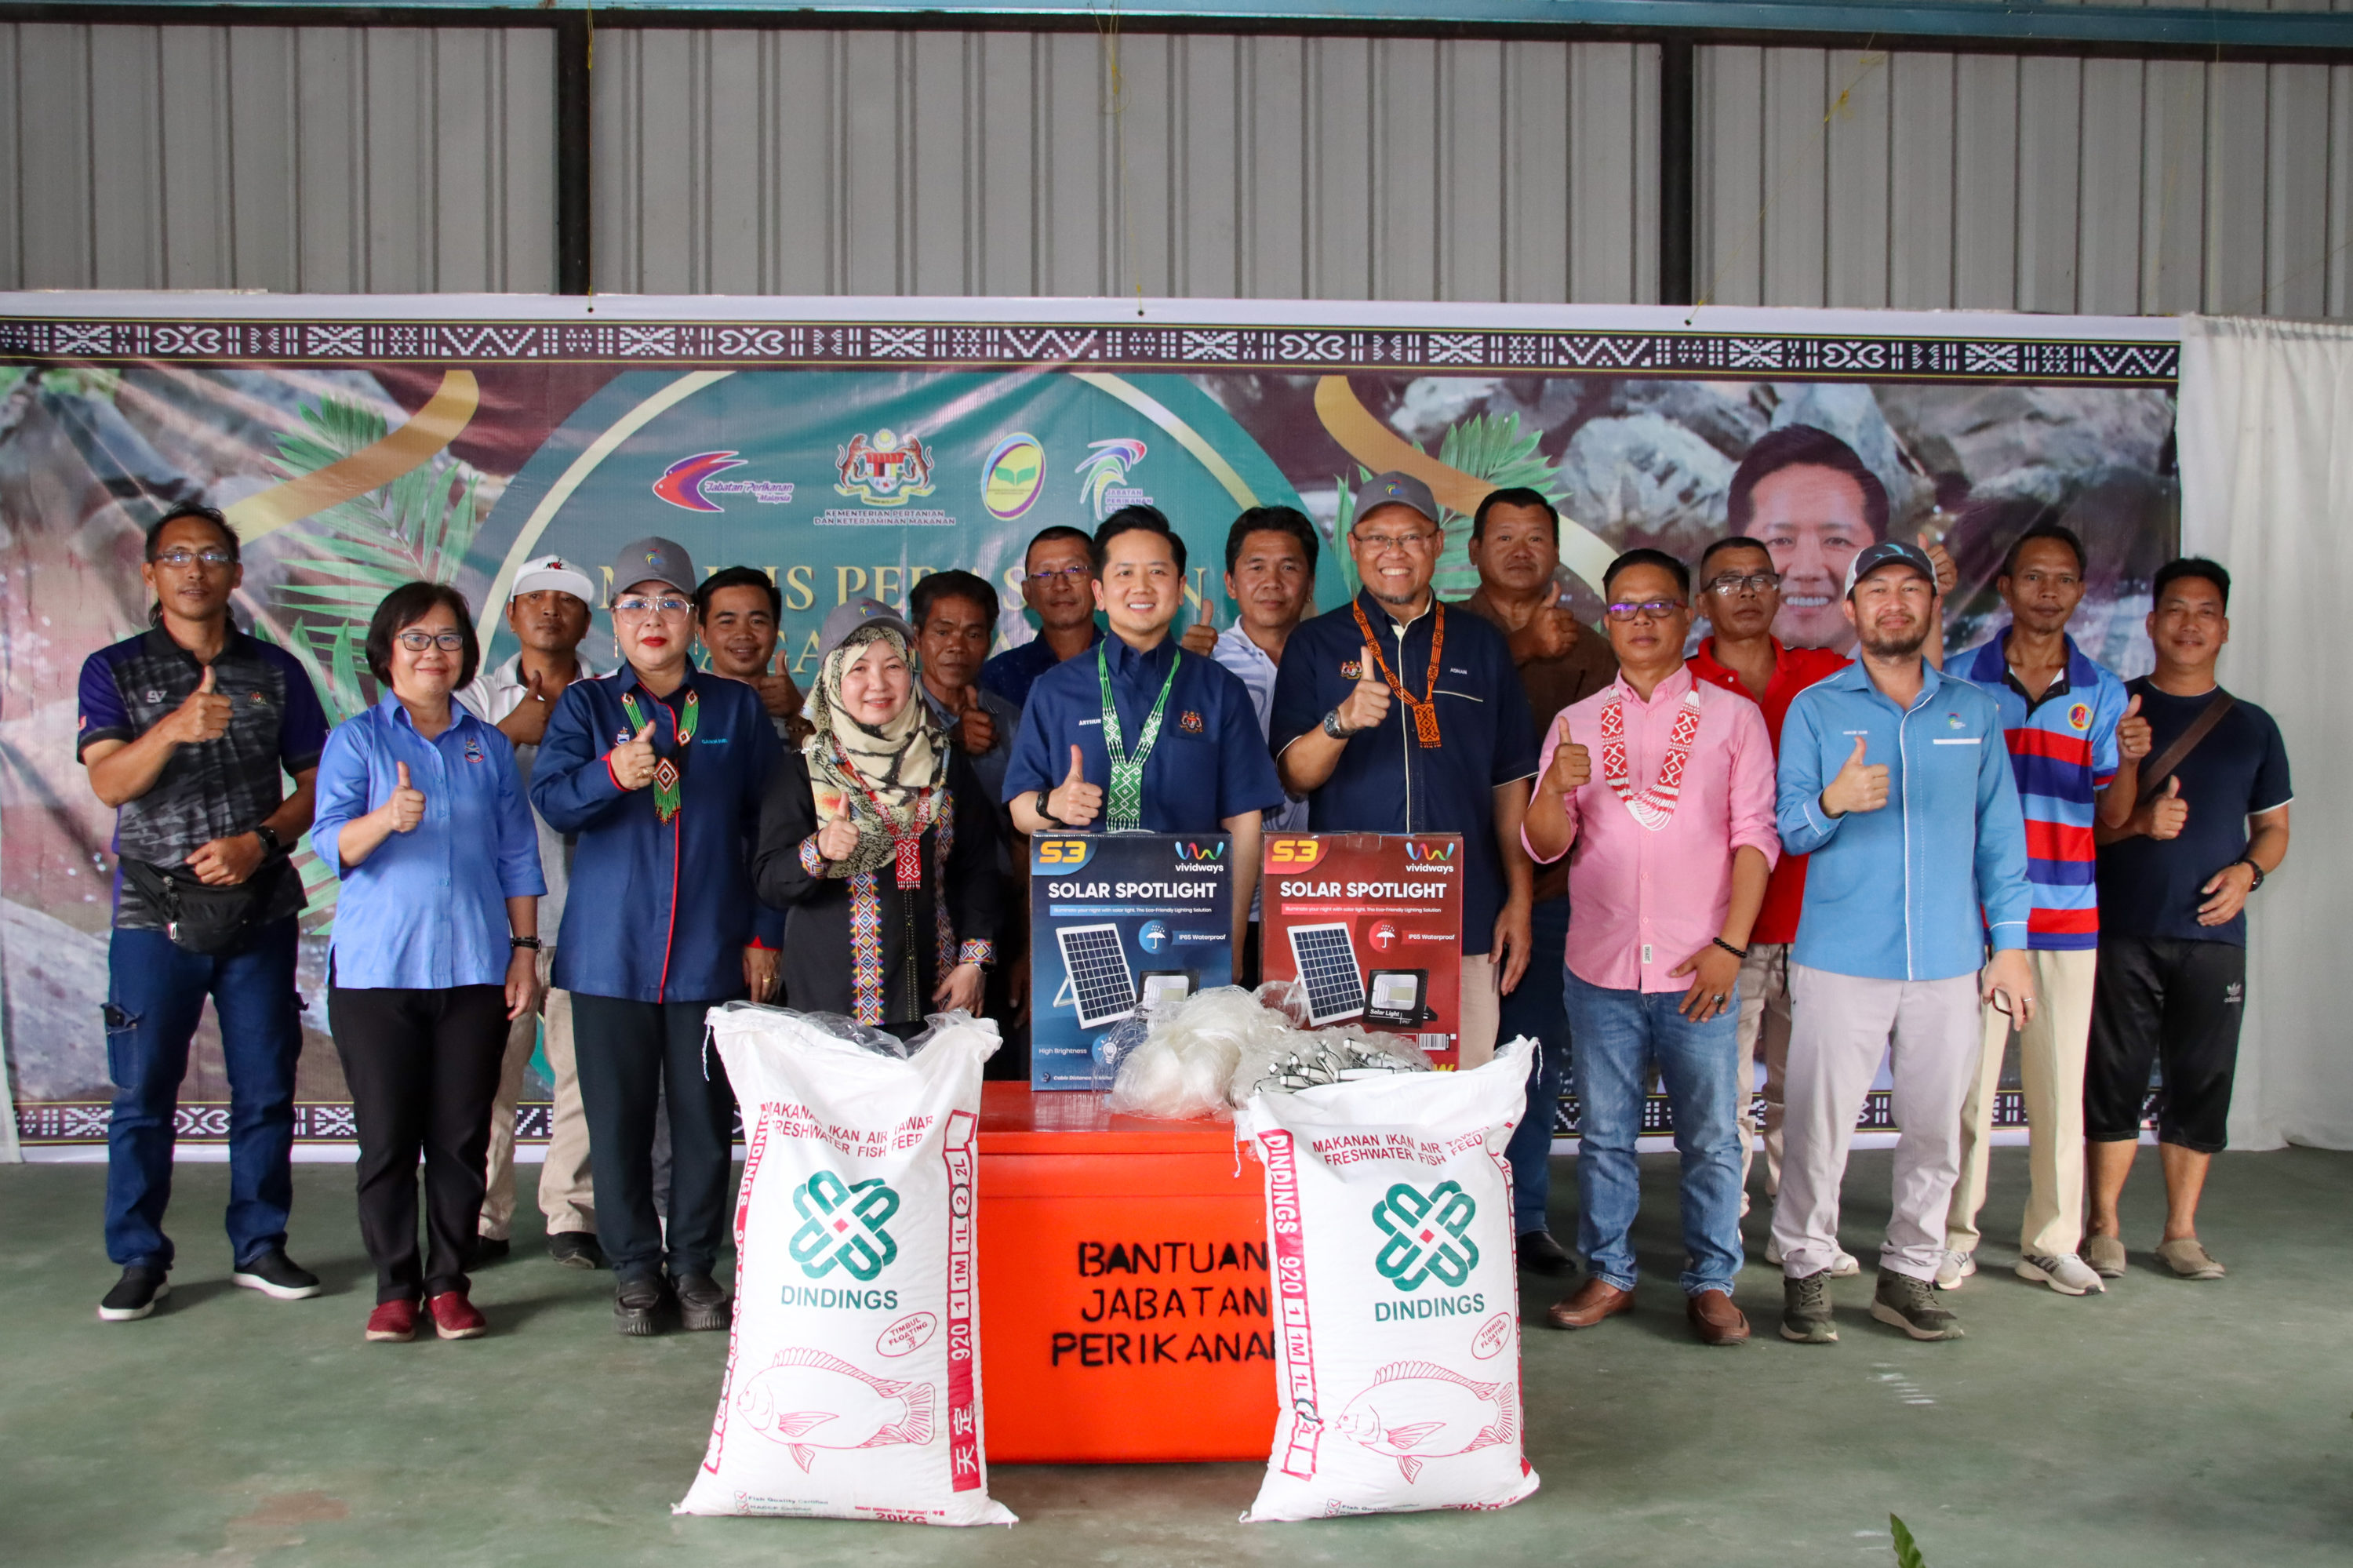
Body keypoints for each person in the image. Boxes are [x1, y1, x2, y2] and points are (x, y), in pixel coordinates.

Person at [1771, 538, 2036, 1346]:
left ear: (1932, 605)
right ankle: (1806, 1271)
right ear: (1851, 609)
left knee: (1935, 1128)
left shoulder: (1973, 711)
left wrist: (2011, 944)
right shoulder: (1817, 708)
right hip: (1839, 957)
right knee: (1818, 1126)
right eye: (1877, 589)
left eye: (1910, 589)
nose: (1895, 603)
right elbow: (1790, 829)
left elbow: (2002, 839)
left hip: (1949, 960)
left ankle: (1909, 1276)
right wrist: (1835, 800)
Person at [79, 504, 329, 1324]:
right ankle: (139, 1256)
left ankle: (259, 1244)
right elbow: (109, 783)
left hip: (259, 906)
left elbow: (317, 785)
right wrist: (174, 728)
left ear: (236, 573)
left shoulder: (276, 672)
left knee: (265, 1085)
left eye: (213, 555)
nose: (195, 569)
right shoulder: (113, 670)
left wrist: (262, 841)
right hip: (153, 912)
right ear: (150, 572)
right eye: (178, 556)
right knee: (143, 1088)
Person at [531, 537, 785, 1337]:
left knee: (705, 1123)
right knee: (618, 1122)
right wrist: (612, 774)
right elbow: (553, 800)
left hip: (709, 952)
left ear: (694, 622)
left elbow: (770, 828)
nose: (653, 618)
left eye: (670, 603)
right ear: (614, 620)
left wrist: (764, 933)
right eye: (636, 603)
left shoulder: (735, 708)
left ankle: (695, 1266)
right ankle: (637, 1269)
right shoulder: (586, 706)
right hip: (609, 956)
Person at [1522, 550, 1776, 1346]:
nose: (1641, 621)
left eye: (1657, 605)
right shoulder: (1576, 721)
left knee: (1711, 1136)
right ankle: (1610, 1272)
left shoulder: (1733, 718)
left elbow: (1755, 839)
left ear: (1688, 614)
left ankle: (1713, 1281)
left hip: (1700, 963)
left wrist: (1730, 946)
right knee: (1604, 1134)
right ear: (1608, 620)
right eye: (1625, 608)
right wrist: (1553, 789)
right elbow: (1543, 845)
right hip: (1601, 964)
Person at [311, 584, 545, 1343]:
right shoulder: (357, 741)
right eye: (416, 638)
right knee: (386, 1139)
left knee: (460, 1138)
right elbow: (330, 842)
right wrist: (386, 818)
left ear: (465, 655)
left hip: (475, 971)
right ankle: (393, 1287)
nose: (433, 653)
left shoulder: (487, 747)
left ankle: (448, 1283)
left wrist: (523, 952)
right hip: (376, 976)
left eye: (447, 639)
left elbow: (517, 856)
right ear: (387, 653)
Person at [1942, 523, 2149, 1297]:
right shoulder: (1963, 679)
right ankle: (1953, 1235)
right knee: (1968, 1091)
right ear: (2005, 588)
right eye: (2034, 576)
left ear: (2081, 592)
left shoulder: (2102, 691)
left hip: (2066, 916)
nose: (2049, 591)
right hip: (1977, 920)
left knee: (2059, 1089)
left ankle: (2052, 1240)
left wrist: (2131, 758)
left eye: (2064, 579)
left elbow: (2112, 816)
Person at [1271, 471, 1540, 1067]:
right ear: (1354, 546)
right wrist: (1340, 722)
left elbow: (1509, 785)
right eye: (1377, 538)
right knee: (1349, 1091)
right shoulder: (1315, 643)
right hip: (1344, 918)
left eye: (1411, 536)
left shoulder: (1481, 644)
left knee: (1458, 1094)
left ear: (1438, 544)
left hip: (1465, 914)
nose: (1394, 552)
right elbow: (1293, 776)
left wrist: (1519, 900)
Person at [2084, 558, 2290, 1282]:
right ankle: (2103, 1226)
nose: (2190, 624)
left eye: (2205, 612)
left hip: (2214, 934)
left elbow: (2274, 830)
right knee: (2113, 1076)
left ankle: (2181, 1231)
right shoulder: (2117, 708)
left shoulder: (2253, 728)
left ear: (2224, 628)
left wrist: (2247, 872)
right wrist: (2140, 818)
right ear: (2152, 623)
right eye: (2176, 609)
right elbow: (2084, 827)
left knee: (2201, 1081)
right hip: (2124, 925)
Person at [1459, 487, 1618, 1275]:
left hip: (1552, 891)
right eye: (1504, 537)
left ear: (1557, 551)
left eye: (1535, 538)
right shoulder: (1444, 635)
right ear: (1472, 552)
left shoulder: (1592, 650)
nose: (1521, 551)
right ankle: (1452, 1204)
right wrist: (1520, 647)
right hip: (1447, 887)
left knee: (1530, 1054)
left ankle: (1522, 1218)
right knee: (1446, 1054)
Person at [1686, 534, 1855, 1271]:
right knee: (1722, 1098)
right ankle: (1721, 1230)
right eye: (1729, 581)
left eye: (1760, 578)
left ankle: (1806, 1232)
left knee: (1808, 1093)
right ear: (1702, 602)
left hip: (1820, 922)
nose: (1748, 591)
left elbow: (1908, 694)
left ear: (1779, 592)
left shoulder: (1827, 675)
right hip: (1724, 930)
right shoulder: (1682, 684)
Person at [1003, 510, 1282, 951]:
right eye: (1124, 573)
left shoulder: (1219, 690)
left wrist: (1234, 933)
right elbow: (1022, 811)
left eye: (1157, 572)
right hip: (1082, 918)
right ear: (1099, 592)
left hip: (1190, 920)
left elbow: (1244, 822)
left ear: (1180, 587)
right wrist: (1054, 804)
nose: (1141, 587)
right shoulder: (1055, 690)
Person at [456, 555, 606, 1271]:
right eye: (535, 598)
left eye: (566, 599)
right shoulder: (473, 698)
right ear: (512, 614)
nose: (550, 609)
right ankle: (483, 1217)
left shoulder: (610, 698)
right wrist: (508, 732)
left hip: (586, 918)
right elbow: (445, 792)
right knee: (488, 1078)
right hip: (496, 928)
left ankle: (572, 1213)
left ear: (587, 619)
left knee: (584, 1077)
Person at [755, 601, 999, 1031]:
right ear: (832, 678)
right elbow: (769, 881)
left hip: (936, 994)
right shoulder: (807, 769)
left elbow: (978, 868)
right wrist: (818, 850)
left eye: (893, 666)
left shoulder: (944, 763)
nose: (879, 684)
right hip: (832, 1003)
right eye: (859, 669)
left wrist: (974, 961)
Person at [1181, 506, 1320, 983]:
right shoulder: (1203, 659)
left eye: (1289, 567)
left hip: (1318, 892)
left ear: (1310, 584)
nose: (1272, 582)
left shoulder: (1337, 659)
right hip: (1222, 897)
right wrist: (1181, 676)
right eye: (1256, 566)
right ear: (1230, 582)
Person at [981, 524, 1101, 709]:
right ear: (1028, 593)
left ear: (1099, 585)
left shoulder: (1130, 667)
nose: (1060, 585)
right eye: (1045, 574)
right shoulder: (998, 677)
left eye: (1074, 570)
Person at [696, 566, 806, 743]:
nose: (743, 634)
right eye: (727, 622)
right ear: (703, 635)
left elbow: (832, 759)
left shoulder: (814, 704)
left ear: (775, 631)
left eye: (757, 621)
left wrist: (798, 712)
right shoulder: (685, 707)